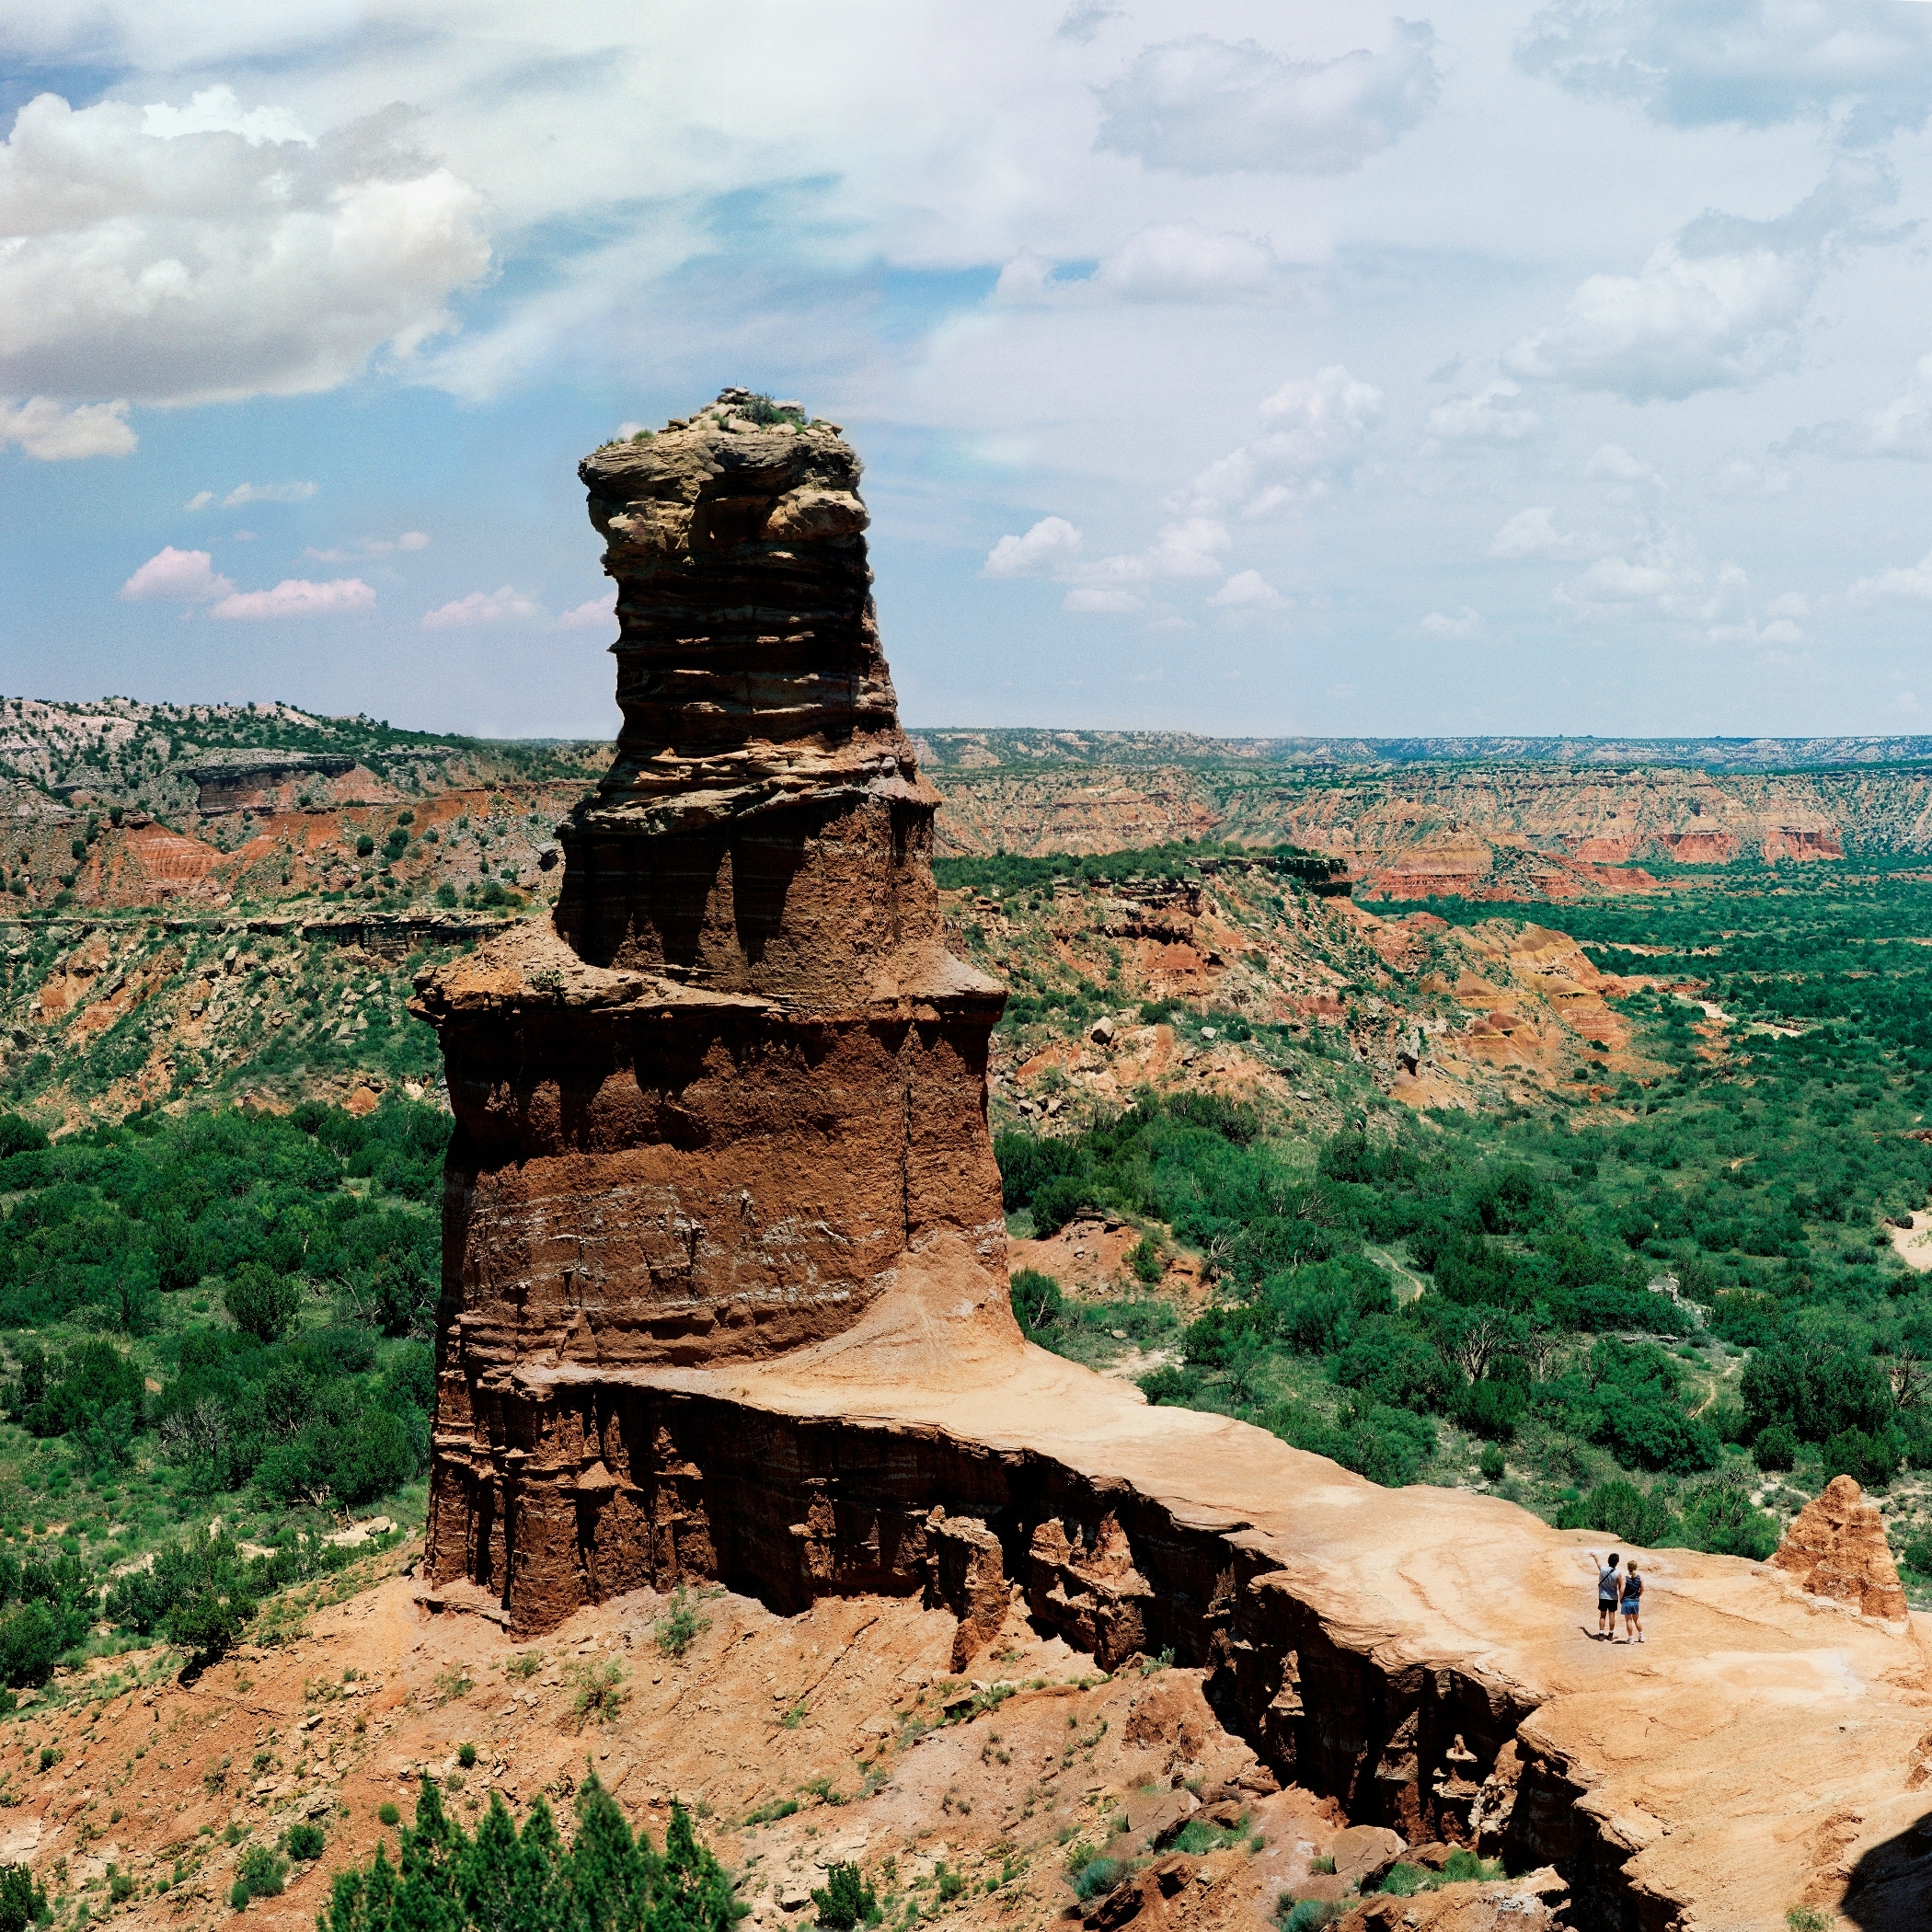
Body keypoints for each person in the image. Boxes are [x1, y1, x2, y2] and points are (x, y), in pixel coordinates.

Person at [1587, 1550, 1620, 1639]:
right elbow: (1620, 1586)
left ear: (1608, 1561)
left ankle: (1601, 1634)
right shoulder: (1618, 1574)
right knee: (1612, 1615)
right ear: (1617, 1563)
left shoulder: (1603, 1569)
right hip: (1613, 1597)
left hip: (1602, 1596)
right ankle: (1611, 1634)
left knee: (1602, 1615)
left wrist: (1594, 1555)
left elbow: (1598, 1562)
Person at [1621, 1559, 1643, 1643]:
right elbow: (1643, 1588)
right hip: (1635, 1601)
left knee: (1629, 1620)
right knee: (1636, 1619)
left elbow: (1622, 1591)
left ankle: (1631, 1638)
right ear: (1636, 1567)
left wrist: (1620, 1599)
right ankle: (1641, 1636)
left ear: (1628, 1568)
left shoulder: (1626, 1578)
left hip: (1627, 1600)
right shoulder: (1639, 1578)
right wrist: (1638, 1596)